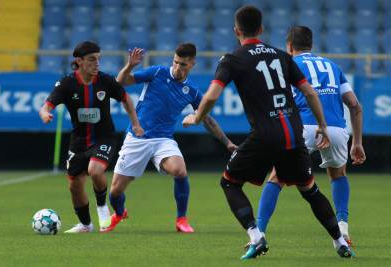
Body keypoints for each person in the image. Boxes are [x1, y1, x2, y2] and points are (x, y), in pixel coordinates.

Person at [183, 6, 353, 259]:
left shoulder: (232, 59)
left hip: (264, 135)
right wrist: (322, 126)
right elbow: (310, 93)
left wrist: (197, 117)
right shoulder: (282, 56)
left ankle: (256, 235)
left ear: (236, 31)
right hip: (293, 133)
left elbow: (212, 95)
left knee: (229, 182)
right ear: (261, 29)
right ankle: (340, 241)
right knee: (310, 190)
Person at [102, 43, 237, 233]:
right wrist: (130, 65)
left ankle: (181, 219)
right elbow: (121, 82)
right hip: (137, 137)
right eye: (175, 62)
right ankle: (119, 212)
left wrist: (227, 142)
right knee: (115, 191)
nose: (177, 67)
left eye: (182, 64)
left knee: (180, 171)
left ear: (192, 64)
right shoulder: (157, 72)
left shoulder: (191, 91)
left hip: (163, 140)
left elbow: (207, 119)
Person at [256, 26, 366, 245]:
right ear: (311, 45)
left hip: (303, 127)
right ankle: (342, 229)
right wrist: (358, 142)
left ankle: (258, 233)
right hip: (335, 129)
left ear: (289, 46)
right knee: (338, 174)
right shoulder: (332, 66)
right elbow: (354, 105)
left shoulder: (288, 64)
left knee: (277, 177)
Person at [39, 41, 143, 233]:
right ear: (78, 61)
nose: (97, 64)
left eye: (99, 59)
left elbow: (125, 98)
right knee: (74, 186)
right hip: (79, 142)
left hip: (104, 138)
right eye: (91, 59)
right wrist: (45, 113)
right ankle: (86, 225)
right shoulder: (67, 83)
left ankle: (102, 207)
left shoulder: (106, 81)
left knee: (95, 171)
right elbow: (46, 105)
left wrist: (136, 124)